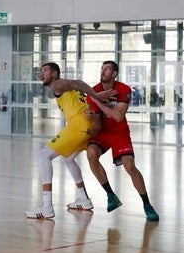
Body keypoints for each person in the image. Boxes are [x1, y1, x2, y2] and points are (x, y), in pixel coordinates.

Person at [25, 62, 115, 219]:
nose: (42, 74)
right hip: (88, 127)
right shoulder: (66, 87)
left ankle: (46, 207)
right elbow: (77, 84)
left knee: (43, 156)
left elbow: (76, 82)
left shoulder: (57, 84)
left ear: (55, 74)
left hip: (79, 125)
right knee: (68, 159)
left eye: (45, 70)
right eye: (41, 71)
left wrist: (95, 94)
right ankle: (84, 200)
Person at [85, 60, 159, 221]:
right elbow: (93, 116)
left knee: (130, 166)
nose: (103, 71)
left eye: (107, 69)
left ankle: (147, 205)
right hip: (102, 133)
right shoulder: (94, 90)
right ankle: (111, 195)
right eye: (102, 68)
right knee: (91, 154)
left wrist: (97, 100)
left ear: (114, 73)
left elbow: (118, 116)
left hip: (119, 132)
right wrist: (89, 115)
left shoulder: (123, 89)